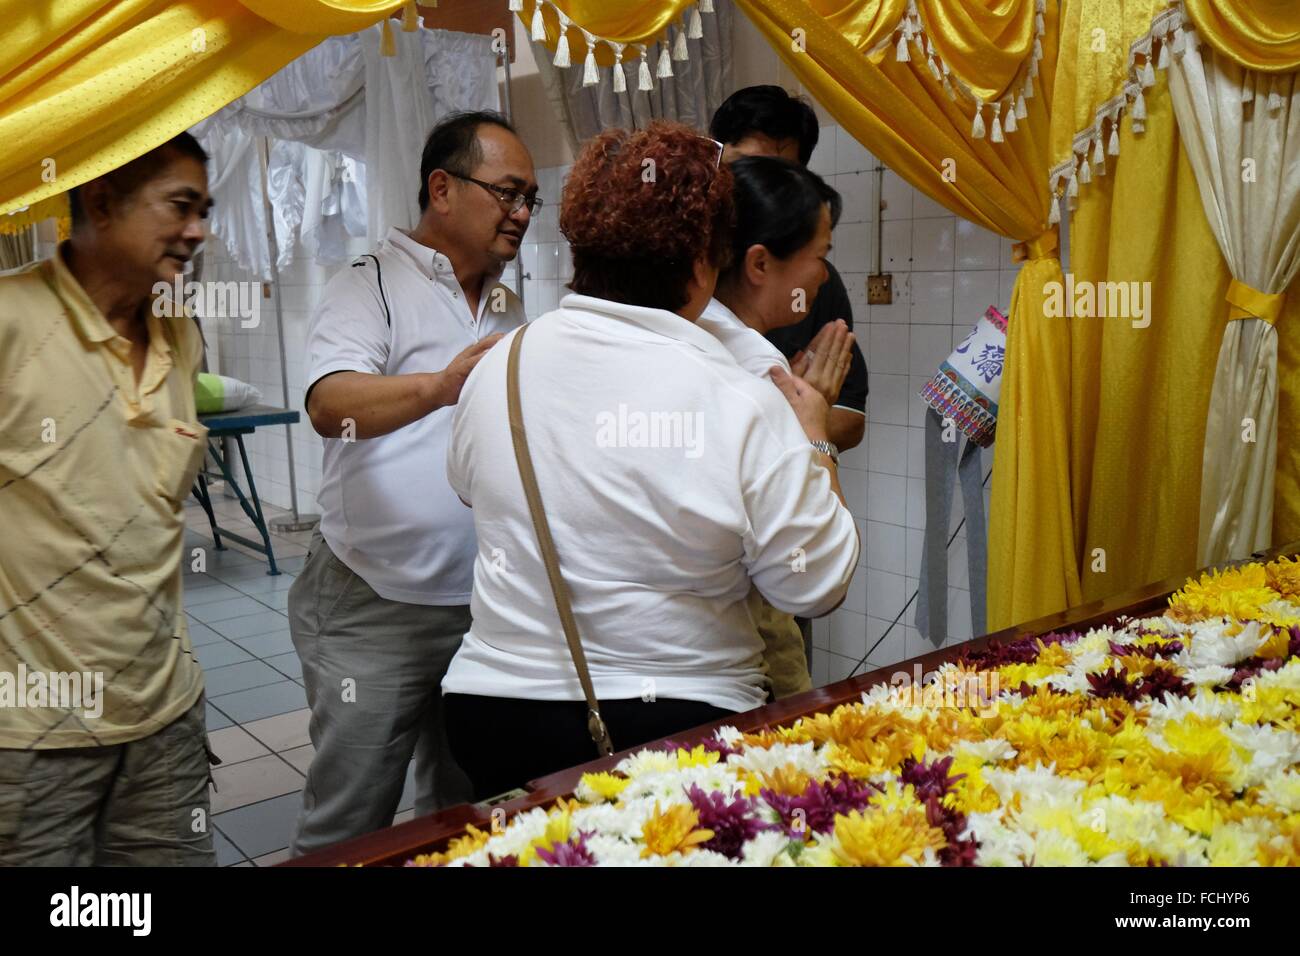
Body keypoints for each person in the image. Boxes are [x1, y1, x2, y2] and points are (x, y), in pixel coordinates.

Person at [441, 121, 860, 801]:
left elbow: (469, 486)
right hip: (671, 723)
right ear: (703, 262)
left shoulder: (502, 364)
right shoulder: (741, 395)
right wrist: (814, 441)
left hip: (493, 714)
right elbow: (814, 585)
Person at [290, 110, 534, 855]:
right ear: (443, 188)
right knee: (352, 817)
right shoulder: (369, 286)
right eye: (507, 193)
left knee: (464, 809)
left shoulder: (506, 302)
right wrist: (439, 385)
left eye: (530, 199)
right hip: (375, 602)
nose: (522, 213)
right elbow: (331, 407)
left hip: (481, 605)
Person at [0, 134, 216, 865]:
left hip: (166, 720)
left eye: (205, 210)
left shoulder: (177, 333)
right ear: (100, 201)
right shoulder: (12, 321)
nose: (199, 230)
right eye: (181, 207)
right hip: (32, 738)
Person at [711, 85, 870, 666]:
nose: (756, 192)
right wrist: (801, 423)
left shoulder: (816, 291)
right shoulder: (684, 318)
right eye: (743, 169)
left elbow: (847, 416)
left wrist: (812, 414)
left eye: (781, 174)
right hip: (718, 620)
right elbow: (824, 580)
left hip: (775, 581)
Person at [697, 155, 855, 699]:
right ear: (760, 264)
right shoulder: (752, 369)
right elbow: (818, 573)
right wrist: (813, 434)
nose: (824, 275)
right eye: (820, 256)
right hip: (740, 636)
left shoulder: (700, 336)